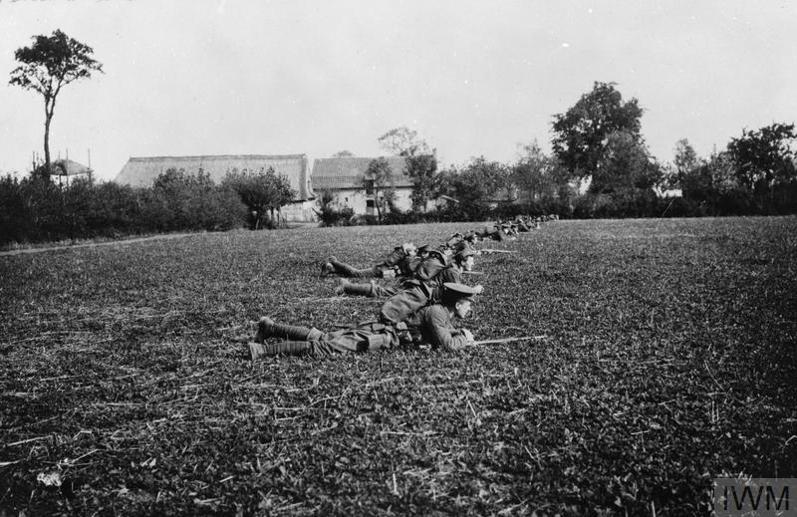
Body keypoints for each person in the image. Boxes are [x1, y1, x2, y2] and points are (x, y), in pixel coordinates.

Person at [247, 282, 479, 359]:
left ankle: (271, 328)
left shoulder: (442, 312)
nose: (469, 308)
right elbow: (446, 344)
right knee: (325, 348)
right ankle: (262, 350)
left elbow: (445, 334)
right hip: (382, 335)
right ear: (458, 303)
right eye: (468, 303)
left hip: (380, 330)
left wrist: (461, 335)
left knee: (323, 337)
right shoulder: (438, 312)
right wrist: (464, 340)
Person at [320, 243, 416, 278]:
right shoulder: (401, 254)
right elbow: (389, 262)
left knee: (354, 275)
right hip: (382, 269)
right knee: (356, 273)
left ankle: (331, 268)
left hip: (383, 270)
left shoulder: (402, 255)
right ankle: (334, 261)